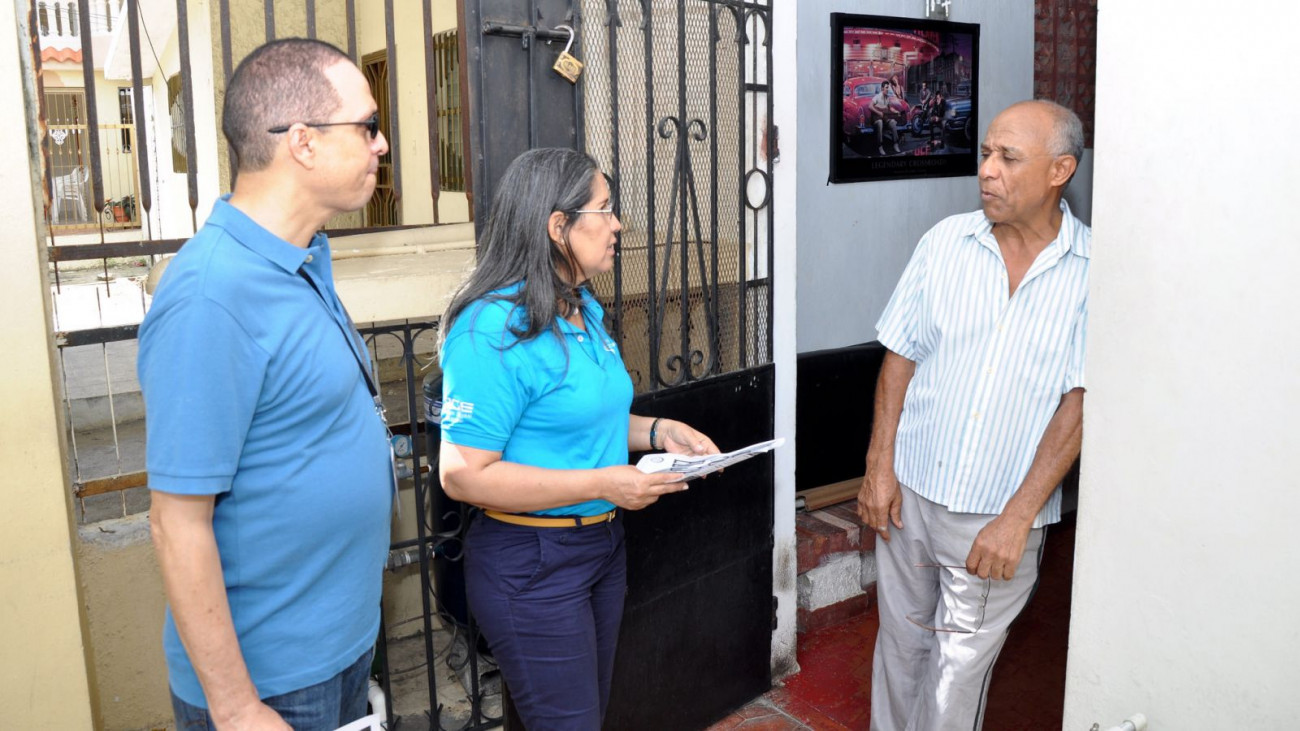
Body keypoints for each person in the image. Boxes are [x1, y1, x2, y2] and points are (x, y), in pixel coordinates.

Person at [138, 38, 392, 730]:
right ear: (303, 143)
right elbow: (176, 521)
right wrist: (237, 706)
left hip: (338, 649)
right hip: (273, 684)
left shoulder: (304, 255)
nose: (382, 143)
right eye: (367, 126)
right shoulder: (210, 298)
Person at [437, 147, 719, 729]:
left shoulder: (580, 307)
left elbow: (578, 421)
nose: (618, 225)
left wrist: (661, 433)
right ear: (557, 225)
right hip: (531, 562)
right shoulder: (491, 327)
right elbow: (463, 474)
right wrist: (604, 483)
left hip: (600, 548)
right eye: (605, 209)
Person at [858, 100, 1088, 731]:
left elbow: (1078, 404)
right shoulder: (944, 244)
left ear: (1059, 170)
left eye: (1008, 157)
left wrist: (1018, 519)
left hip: (998, 514)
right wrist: (880, 467)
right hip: (911, 497)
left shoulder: (1093, 272)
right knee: (901, 648)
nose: (987, 170)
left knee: (958, 672)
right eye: (986, 152)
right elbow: (900, 358)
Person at [871, 80, 905, 156]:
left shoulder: (887, 98)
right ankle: (880, 146)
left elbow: (890, 108)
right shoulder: (877, 97)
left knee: (893, 122)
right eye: (886, 88)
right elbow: (870, 106)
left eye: (888, 88)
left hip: (884, 119)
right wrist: (878, 112)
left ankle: (895, 144)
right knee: (879, 122)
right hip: (877, 120)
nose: (888, 89)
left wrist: (896, 111)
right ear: (882, 88)